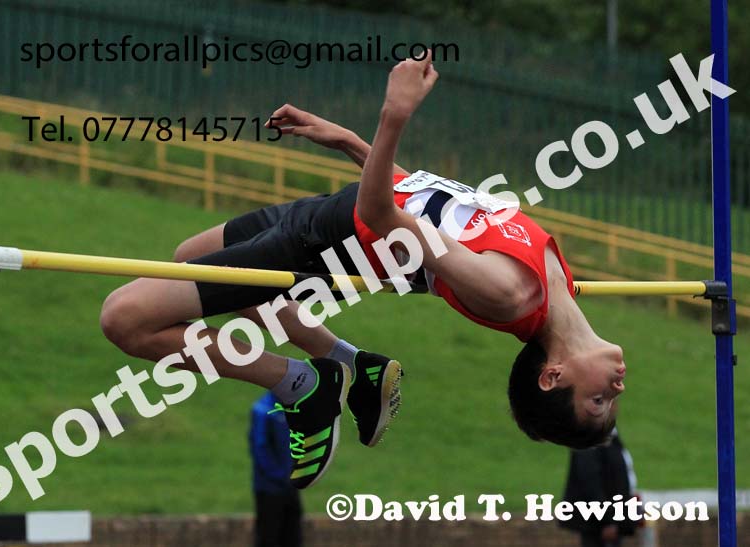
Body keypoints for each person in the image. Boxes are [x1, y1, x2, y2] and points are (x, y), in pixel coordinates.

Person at [99, 52, 626, 490]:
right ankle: (352, 363)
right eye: (605, 400)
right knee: (187, 254)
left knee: (124, 319)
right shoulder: (556, 280)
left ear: (552, 376)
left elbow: (383, 218)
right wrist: (350, 142)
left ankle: (297, 384)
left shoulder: (508, 293)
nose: (617, 389)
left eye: (598, 399)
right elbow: (425, 202)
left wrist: (393, 115)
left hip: (317, 241)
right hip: (327, 216)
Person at [560, 429, 639, 547]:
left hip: (614, 519)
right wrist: (606, 521)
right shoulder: (589, 435)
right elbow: (590, 483)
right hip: (599, 524)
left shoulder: (611, 434)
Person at [250, 392, 303, 547]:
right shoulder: (263, 410)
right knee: (269, 537)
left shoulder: (291, 408)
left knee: (293, 536)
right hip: (269, 488)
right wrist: (280, 475)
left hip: (291, 485)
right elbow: (260, 448)